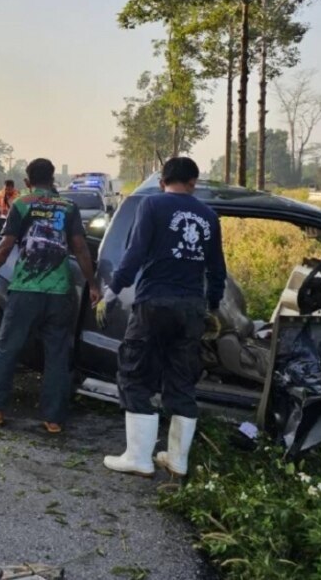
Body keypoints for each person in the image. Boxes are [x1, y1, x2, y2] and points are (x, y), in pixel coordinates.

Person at [100, 157, 226, 479]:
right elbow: (216, 269)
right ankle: (177, 460)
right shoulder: (209, 216)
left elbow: (134, 254)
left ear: (162, 181)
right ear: (193, 183)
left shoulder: (152, 206)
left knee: (137, 374)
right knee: (182, 380)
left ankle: (139, 458)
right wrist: (211, 306)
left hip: (154, 304)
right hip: (191, 309)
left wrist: (112, 291)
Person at [0, 159, 99, 434]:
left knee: (7, 346)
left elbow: (6, 244)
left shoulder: (22, 204)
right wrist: (92, 284)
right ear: (54, 178)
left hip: (26, 290)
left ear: (27, 180)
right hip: (59, 292)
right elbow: (80, 248)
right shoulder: (68, 207)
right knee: (56, 354)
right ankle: (54, 419)